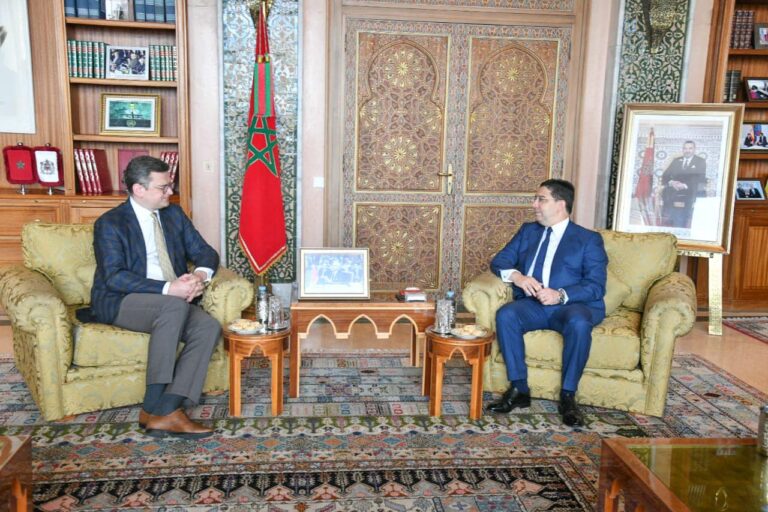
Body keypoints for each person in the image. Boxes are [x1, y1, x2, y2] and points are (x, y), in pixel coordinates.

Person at [88, 156, 221, 439]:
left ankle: (166, 408)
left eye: (170, 185)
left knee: (208, 326)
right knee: (173, 306)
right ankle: (152, 403)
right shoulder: (110, 223)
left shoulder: (174, 214)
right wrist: (169, 288)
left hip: (170, 301)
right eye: (163, 187)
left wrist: (198, 276)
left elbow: (205, 252)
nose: (170, 192)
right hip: (123, 300)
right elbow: (114, 277)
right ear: (139, 189)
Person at [485, 179, 607, 427]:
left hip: (571, 307)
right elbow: (499, 261)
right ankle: (519, 389)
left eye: (541, 199)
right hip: (534, 305)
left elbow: (596, 286)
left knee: (579, 323)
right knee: (506, 315)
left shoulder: (588, 239)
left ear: (561, 204)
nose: (534, 205)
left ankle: (568, 396)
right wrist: (518, 277)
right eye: (535, 199)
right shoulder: (528, 231)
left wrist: (560, 294)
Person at [660, 140, 707, 229]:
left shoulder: (700, 161)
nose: (687, 150)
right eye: (685, 148)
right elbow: (665, 176)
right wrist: (672, 182)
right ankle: (671, 219)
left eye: (690, 148)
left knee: (683, 210)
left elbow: (700, 178)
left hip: (690, 189)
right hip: (674, 189)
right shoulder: (676, 161)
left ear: (694, 149)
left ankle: (681, 223)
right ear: (683, 149)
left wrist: (684, 185)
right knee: (666, 192)